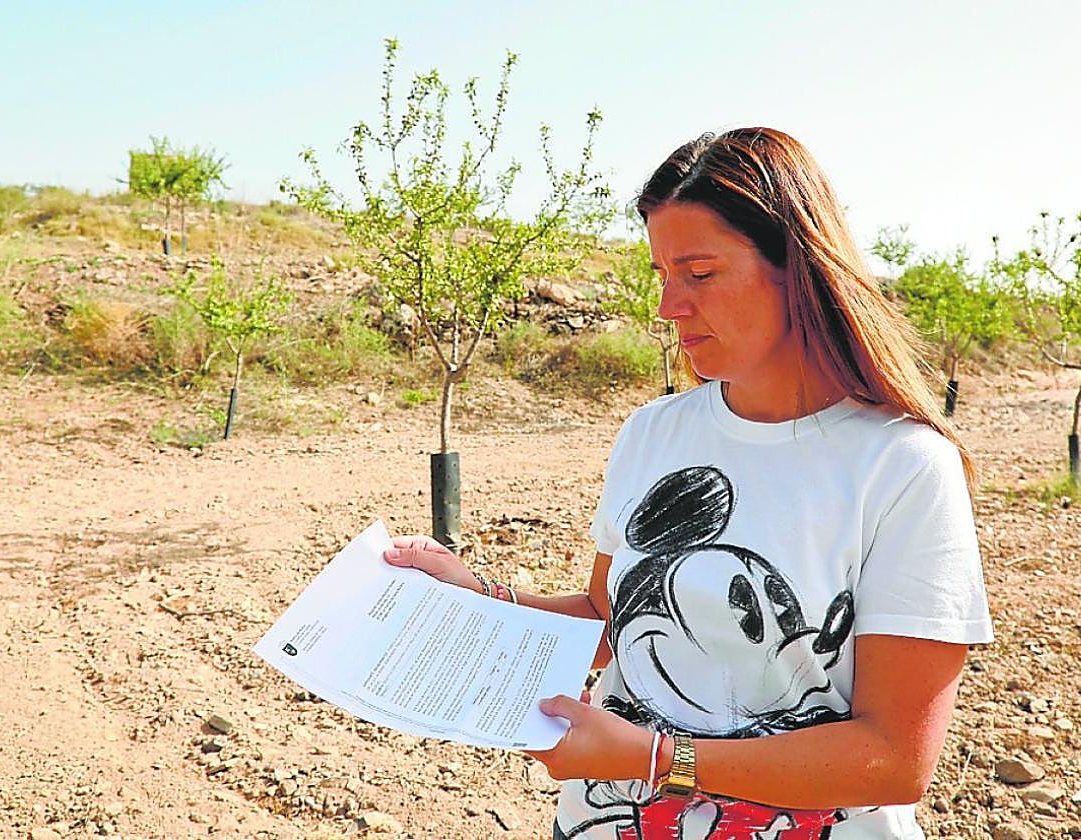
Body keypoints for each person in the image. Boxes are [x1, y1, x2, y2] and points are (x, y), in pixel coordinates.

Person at [382, 127, 993, 840]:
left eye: (699, 274)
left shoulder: (903, 466)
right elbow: (610, 622)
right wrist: (483, 600)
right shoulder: (654, 432)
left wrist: (654, 758)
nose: (670, 308)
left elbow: (894, 759)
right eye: (662, 276)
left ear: (800, 269)